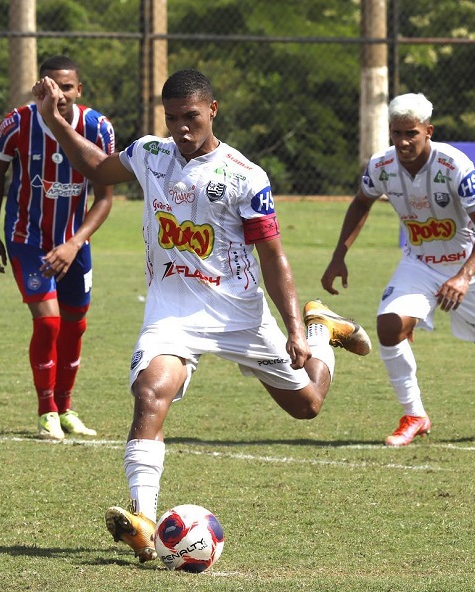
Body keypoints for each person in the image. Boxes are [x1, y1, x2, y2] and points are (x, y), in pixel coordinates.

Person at [32, 68, 371, 562]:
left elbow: (273, 258)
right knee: (150, 391)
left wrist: (297, 328)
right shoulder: (150, 153)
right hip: (173, 312)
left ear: (213, 110)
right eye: (172, 118)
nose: (181, 128)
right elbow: (100, 169)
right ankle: (144, 521)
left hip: (239, 314)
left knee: (308, 405)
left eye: (190, 116)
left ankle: (322, 327)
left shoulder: (244, 177)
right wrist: (56, 121)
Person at [320, 92, 475, 447]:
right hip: (418, 262)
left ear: (428, 131)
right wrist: (339, 254)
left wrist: (463, 276)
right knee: (388, 325)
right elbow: (360, 204)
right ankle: (414, 415)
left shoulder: (454, 165)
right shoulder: (381, 166)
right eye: (396, 133)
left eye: (411, 134)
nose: (402, 142)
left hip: (466, 264)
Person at [0, 55, 115, 440]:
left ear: (79, 90)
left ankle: (66, 406)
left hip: (74, 244)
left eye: (67, 88)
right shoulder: (17, 123)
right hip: (28, 240)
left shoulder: (97, 127)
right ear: (40, 87)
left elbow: (104, 198)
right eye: (51, 87)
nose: (59, 95)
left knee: (76, 325)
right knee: (48, 321)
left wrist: (75, 242)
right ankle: (47, 412)